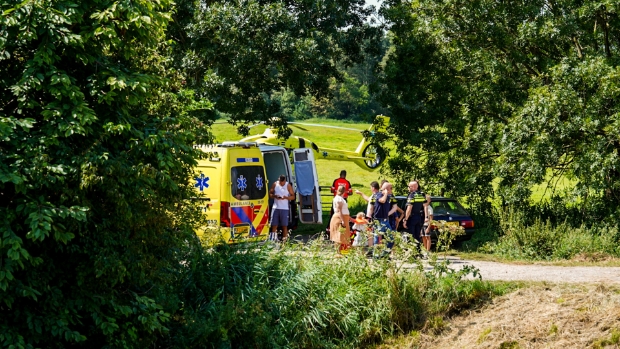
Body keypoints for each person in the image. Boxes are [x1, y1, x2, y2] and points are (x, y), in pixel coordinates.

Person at [268, 175, 295, 242]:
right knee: (274, 224)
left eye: (282, 182)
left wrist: (286, 198)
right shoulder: (275, 184)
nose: (281, 183)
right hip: (276, 207)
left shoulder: (288, 185)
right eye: (280, 181)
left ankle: (284, 240)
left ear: (285, 181)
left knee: (284, 225)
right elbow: (270, 194)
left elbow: (293, 196)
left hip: (284, 208)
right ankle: (273, 239)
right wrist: (275, 196)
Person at [403, 181, 425, 254]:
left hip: (412, 218)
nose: (408, 188)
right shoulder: (422, 194)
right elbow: (425, 206)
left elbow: (409, 208)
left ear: (413, 187)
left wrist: (405, 219)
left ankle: (411, 253)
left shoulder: (412, 195)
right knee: (417, 235)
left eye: (409, 187)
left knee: (411, 235)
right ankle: (418, 252)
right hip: (419, 217)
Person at [371, 183, 393, 258]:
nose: (392, 190)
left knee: (391, 237)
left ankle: (385, 254)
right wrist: (385, 193)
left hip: (386, 220)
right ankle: (375, 255)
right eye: (391, 188)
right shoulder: (379, 194)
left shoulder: (389, 196)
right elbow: (382, 201)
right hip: (379, 220)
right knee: (377, 237)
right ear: (386, 189)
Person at [329, 185, 350, 254]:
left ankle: (340, 252)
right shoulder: (339, 199)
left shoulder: (340, 198)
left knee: (342, 235)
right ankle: (338, 252)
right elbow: (339, 210)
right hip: (340, 219)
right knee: (339, 236)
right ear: (345, 191)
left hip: (343, 218)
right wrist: (343, 220)